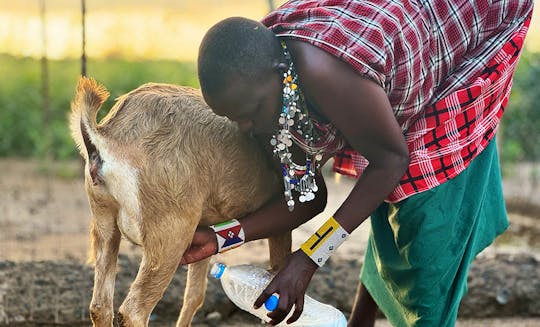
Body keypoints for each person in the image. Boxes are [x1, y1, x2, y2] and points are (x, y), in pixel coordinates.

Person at [181, 0, 534, 326]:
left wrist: (308, 259)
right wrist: (219, 239)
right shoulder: (264, 95)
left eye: (250, 112)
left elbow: (391, 162)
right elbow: (307, 196)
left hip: (471, 19)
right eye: (232, 117)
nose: (244, 127)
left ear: (279, 72)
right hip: (399, 43)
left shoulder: (325, 74)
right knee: (379, 194)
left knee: (425, 232)